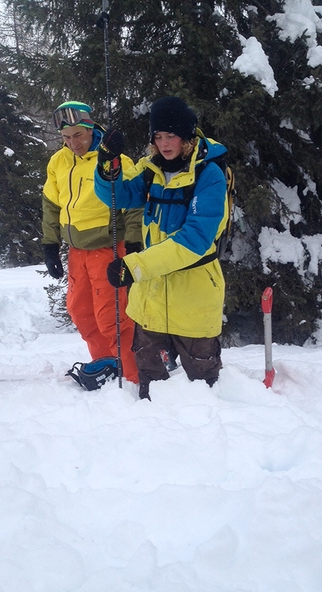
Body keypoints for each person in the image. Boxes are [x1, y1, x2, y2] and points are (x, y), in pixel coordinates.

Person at [94, 96, 228, 400]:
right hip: (151, 300)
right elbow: (117, 195)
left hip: (193, 296)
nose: (165, 143)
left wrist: (135, 266)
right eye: (158, 136)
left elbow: (195, 239)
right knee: (151, 388)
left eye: (171, 136)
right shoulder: (151, 170)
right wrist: (105, 164)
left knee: (203, 392)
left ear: (187, 138)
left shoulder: (209, 176)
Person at [42, 100, 142, 384]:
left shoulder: (114, 159)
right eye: (66, 137)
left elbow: (134, 205)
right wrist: (50, 246)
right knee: (81, 311)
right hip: (77, 252)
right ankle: (106, 367)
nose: (72, 143)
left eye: (78, 135)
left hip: (109, 248)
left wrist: (133, 246)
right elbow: (51, 204)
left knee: (113, 317)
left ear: (90, 129)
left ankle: (134, 377)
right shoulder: (58, 162)